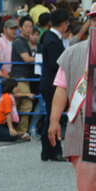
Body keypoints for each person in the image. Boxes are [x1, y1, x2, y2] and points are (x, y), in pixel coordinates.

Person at [47, 2, 96, 191]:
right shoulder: (73, 53)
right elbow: (60, 88)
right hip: (81, 123)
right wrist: (54, 120)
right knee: (84, 177)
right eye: (94, 19)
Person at [39, 9, 70, 161]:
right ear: (64, 24)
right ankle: (53, 150)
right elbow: (54, 64)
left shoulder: (50, 37)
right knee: (53, 118)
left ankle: (48, 151)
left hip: (50, 83)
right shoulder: (52, 40)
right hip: (52, 84)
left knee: (50, 118)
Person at [10, 16, 37, 136]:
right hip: (20, 77)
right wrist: (40, 59)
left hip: (25, 77)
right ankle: (21, 131)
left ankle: (19, 130)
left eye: (30, 26)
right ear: (20, 27)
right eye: (26, 26)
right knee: (26, 104)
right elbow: (26, 59)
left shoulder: (25, 42)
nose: (28, 29)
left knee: (20, 104)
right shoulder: (19, 41)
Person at [0, 78, 24, 142]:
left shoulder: (5, 95)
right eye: (16, 87)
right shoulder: (7, 98)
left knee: (14, 128)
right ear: (12, 88)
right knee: (14, 137)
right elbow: (8, 114)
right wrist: (11, 128)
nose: (17, 88)